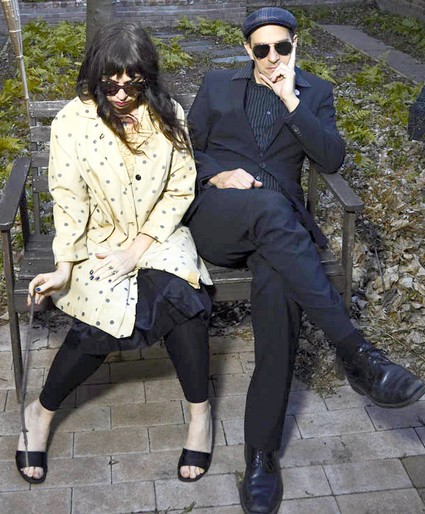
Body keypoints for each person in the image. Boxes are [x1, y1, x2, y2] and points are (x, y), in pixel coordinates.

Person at [184, 7, 425, 514]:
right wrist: (216, 176)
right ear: (248, 50)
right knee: (271, 209)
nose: (273, 57)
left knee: (279, 310)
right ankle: (357, 353)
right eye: (262, 48)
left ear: (295, 45)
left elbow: (331, 158)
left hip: (280, 238)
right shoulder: (217, 85)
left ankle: (260, 456)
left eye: (282, 46)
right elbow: (185, 152)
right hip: (220, 220)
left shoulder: (314, 93)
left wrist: (291, 100)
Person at [15, 21, 214, 485]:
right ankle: (40, 411)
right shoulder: (73, 121)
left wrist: (139, 248)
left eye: (133, 83)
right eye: (111, 84)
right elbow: (69, 199)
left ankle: (200, 415)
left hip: (159, 236)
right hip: (99, 238)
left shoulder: (168, 113)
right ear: (95, 76)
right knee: (100, 317)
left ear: (148, 77)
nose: (122, 94)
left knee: (184, 298)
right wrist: (64, 266)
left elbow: (180, 187)